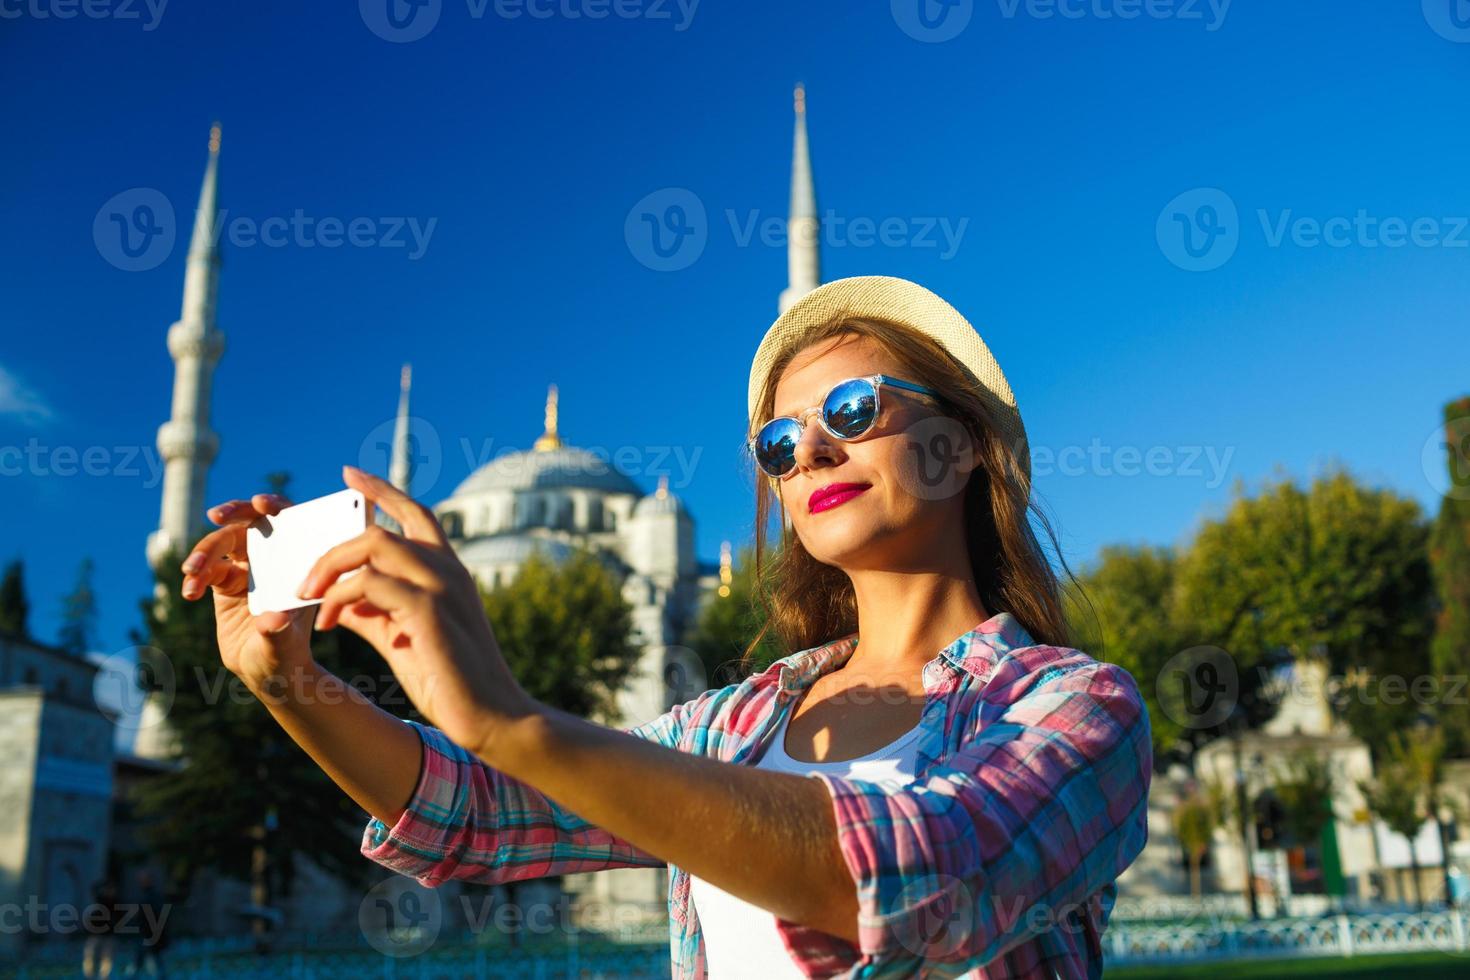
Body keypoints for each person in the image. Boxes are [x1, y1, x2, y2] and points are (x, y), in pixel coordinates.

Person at [178, 276, 1152, 978]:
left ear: (960, 447)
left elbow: (931, 875)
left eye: (852, 408)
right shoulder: (739, 724)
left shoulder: (1070, 705)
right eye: (780, 438)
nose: (810, 447)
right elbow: (481, 809)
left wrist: (516, 718)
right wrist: (287, 680)